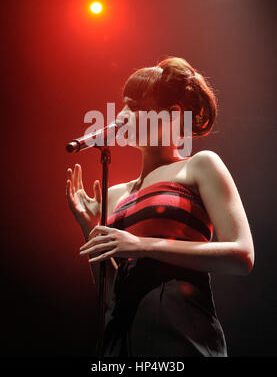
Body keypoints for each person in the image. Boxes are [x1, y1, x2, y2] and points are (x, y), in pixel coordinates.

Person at [66, 57, 254, 357]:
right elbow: (112, 295)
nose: (122, 116)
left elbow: (241, 255)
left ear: (172, 115)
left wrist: (142, 245)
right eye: (123, 105)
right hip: (122, 336)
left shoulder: (200, 166)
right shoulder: (115, 194)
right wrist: (90, 230)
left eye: (136, 107)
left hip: (179, 326)